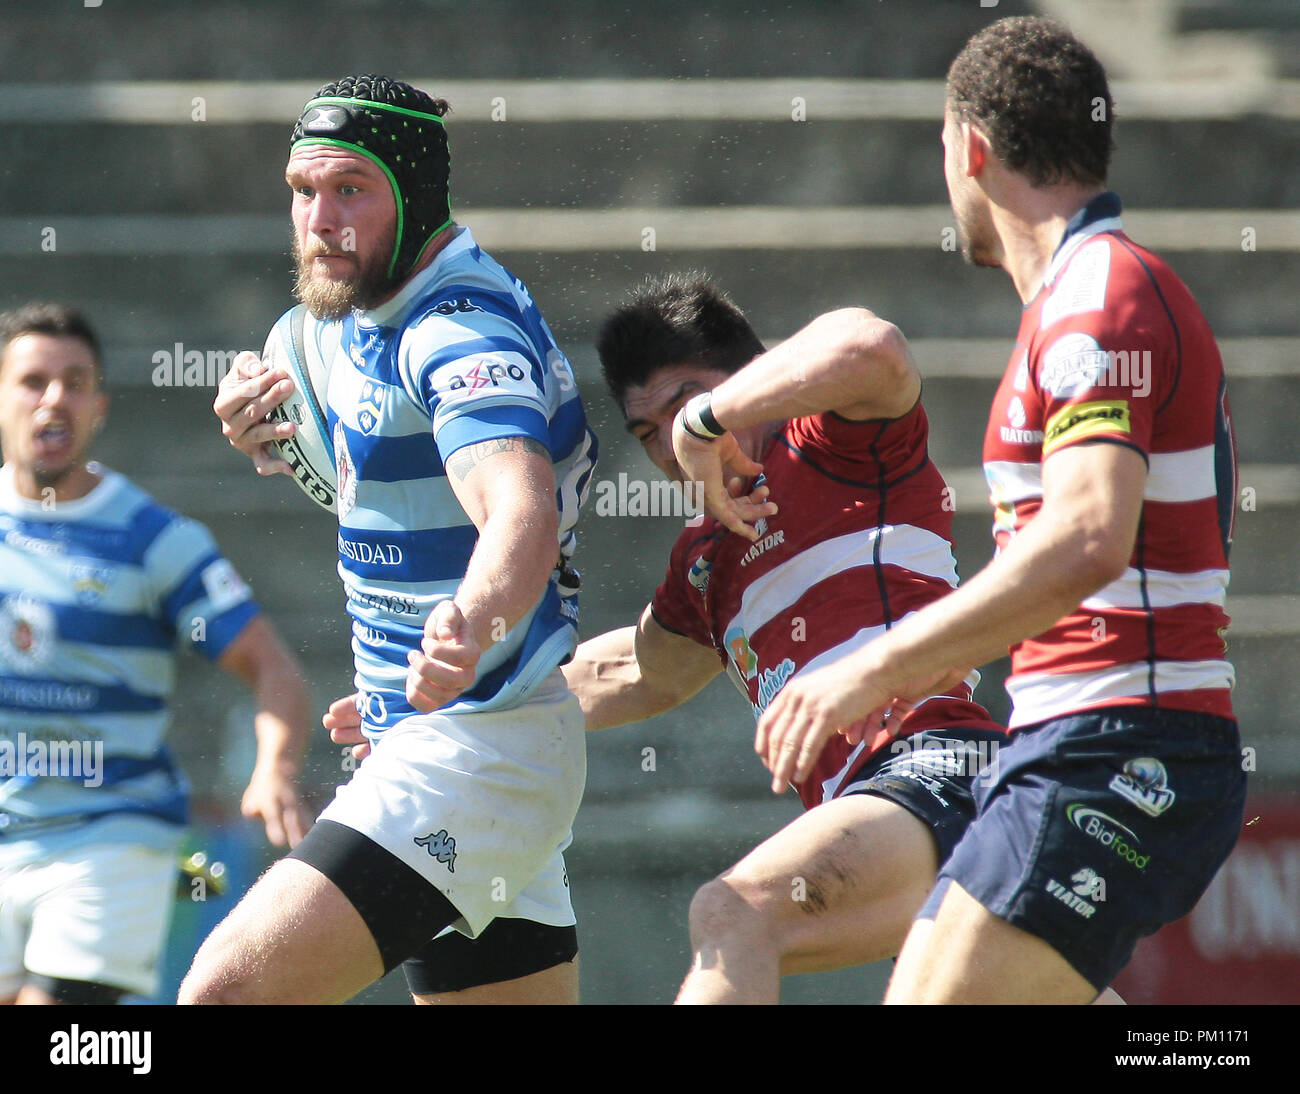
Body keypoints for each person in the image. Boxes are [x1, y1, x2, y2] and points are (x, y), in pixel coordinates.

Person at [326, 272, 1012, 1003]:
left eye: (684, 404)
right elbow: (634, 671)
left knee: (734, 914)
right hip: (901, 815)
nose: (667, 448)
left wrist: (705, 420)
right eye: (647, 432)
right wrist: (442, 705)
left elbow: (872, 346)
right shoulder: (704, 561)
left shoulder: (839, 442)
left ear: (754, 376)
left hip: (943, 769)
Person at [756, 16, 1245, 1005]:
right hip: (1075, 740)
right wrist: (970, 644)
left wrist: (874, 663)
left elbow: (1087, 536)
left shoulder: (1094, 301)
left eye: (943, 149)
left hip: (1123, 746)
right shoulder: (1084, 298)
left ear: (969, 148)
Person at [189, 75, 597, 1005]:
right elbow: (379, 485)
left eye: (351, 191)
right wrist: (267, 440)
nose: (320, 219)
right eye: (303, 191)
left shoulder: (456, 327)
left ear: (413, 197)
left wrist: (472, 624)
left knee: (223, 994)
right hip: (447, 743)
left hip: (474, 753)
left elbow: (518, 506)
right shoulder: (345, 323)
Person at [0, 302, 312, 1006]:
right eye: (32, 381)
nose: (54, 399)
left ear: (99, 406)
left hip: (109, 837)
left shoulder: (152, 539)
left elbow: (272, 669)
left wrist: (274, 769)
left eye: (75, 382)